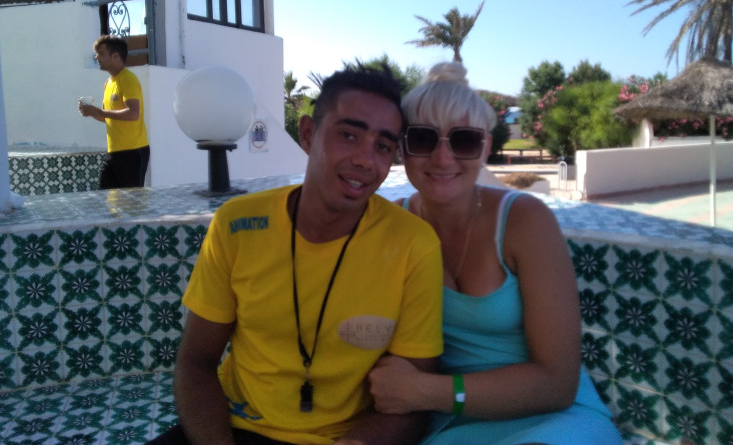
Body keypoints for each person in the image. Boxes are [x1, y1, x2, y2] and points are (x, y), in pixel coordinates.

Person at [149, 64, 444, 445]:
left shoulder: (413, 244)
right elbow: (196, 362)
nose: (365, 160)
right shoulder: (236, 224)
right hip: (235, 429)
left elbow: (412, 401)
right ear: (307, 134)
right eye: (348, 135)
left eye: (383, 146)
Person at [368, 63, 622, 444]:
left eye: (464, 141)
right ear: (403, 148)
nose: (442, 158)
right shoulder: (392, 226)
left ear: (486, 148)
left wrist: (426, 392)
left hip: (551, 419)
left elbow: (557, 383)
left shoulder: (524, 221)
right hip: (449, 424)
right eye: (422, 139)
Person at [79, 34, 150, 189]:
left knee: (131, 201)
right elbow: (106, 117)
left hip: (133, 152)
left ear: (116, 56)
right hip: (114, 152)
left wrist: (100, 112)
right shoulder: (108, 83)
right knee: (106, 197)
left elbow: (133, 113)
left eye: (101, 53)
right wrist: (91, 112)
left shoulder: (128, 79)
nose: (97, 57)